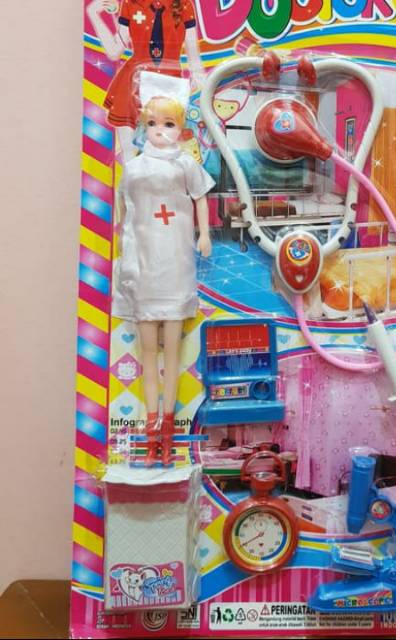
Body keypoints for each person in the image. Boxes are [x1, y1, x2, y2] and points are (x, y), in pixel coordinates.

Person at [113, 95, 214, 465]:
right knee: (147, 356)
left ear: (180, 128)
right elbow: (124, 209)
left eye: (168, 124)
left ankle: (167, 429)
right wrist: (122, 242)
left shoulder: (185, 164)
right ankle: (150, 428)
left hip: (175, 264)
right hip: (143, 266)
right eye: (153, 124)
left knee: (172, 354)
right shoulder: (134, 168)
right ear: (144, 126)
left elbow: (201, 197)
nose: (160, 131)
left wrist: (205, 235)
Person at [88, 0, 205, 162]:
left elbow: (193, 52)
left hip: (169, 84)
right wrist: (93, 14)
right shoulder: (131, 3)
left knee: (168, 152)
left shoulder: (183, 4)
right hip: (133, 84)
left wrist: (199, 80)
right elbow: (114, 51)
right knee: (130, 155)